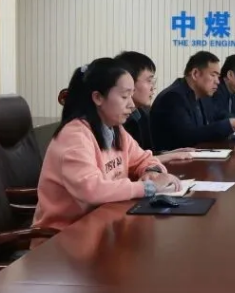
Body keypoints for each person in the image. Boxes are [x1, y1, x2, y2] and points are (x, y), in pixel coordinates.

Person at [32, 58, 182, 232]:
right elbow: (92, 190)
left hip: (103, 227)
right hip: (63, 236)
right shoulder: (74, 136)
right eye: (124, 96)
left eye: (131, 95)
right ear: (98, 97)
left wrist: (152, 172)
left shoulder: (115, 129)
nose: (132, 105)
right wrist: (148, 187)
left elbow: (144, 158)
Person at [150, 51, 235, 151]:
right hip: (172, 162)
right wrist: (230, 124)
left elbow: (217, 117)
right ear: (195, 74)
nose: (217, 81)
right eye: (213, 75)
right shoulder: (173, 97)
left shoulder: (202, 95)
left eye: (218, 76)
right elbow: (188, 136)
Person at [114, 51, 195, 163]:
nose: (153, 87)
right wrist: (168, 157)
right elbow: (129, 163)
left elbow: (143, 154)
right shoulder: (118, 119)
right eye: (149, 80)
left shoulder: (142, 113)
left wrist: (169, 153)